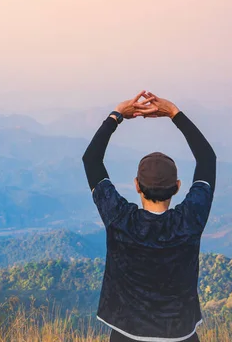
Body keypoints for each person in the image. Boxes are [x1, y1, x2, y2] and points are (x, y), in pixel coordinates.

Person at [82, 91, 216, 342]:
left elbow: (91, 159)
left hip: (125, 334)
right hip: (181, 336)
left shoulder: (119, 219)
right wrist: (174, 113)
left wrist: (116, 115)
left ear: (136, 185)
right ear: (177, 186)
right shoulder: (189, 221)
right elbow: (207, 159)